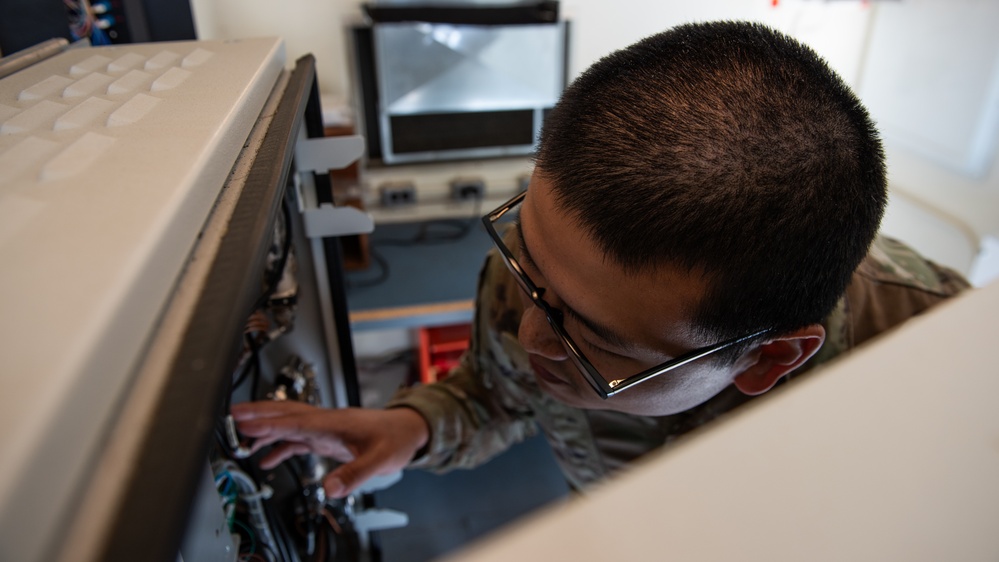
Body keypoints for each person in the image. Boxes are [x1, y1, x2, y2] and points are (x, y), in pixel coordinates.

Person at [233, 21, 970, 497]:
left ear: (766, 360)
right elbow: (500, 394)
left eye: (596, 346)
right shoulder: (551, 278)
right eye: (525, 265)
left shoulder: (948, 377)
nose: (529, 334)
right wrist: (416, 426)